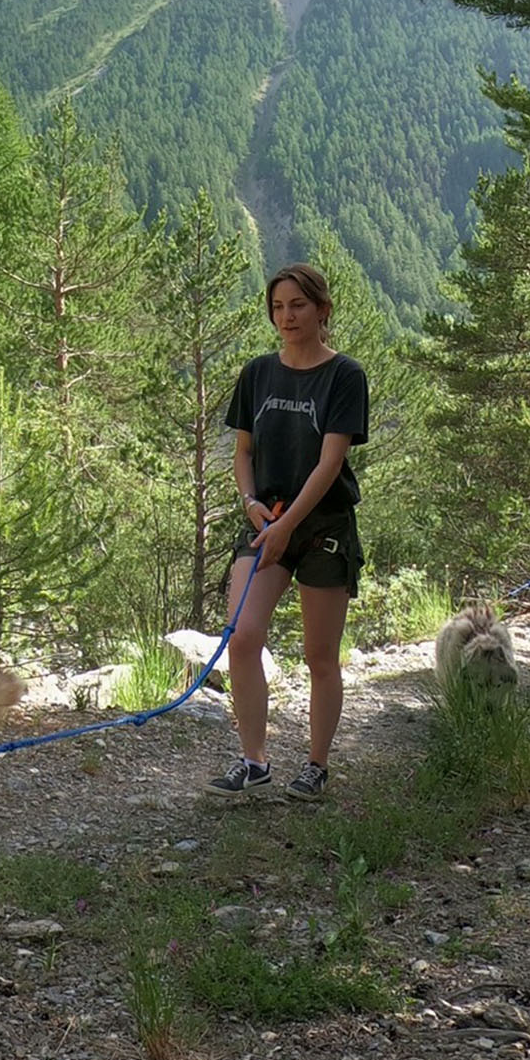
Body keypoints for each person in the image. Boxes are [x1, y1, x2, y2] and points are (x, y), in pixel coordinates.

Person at [207, 264, 369, 800]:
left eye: (298, 305)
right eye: (278, 307)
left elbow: (329, 463)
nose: (287, 316)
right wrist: (251, 504)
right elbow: (243, 451)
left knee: (320, 655)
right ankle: (253, 759)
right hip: (265, 519)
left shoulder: (344, 375)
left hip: (322, 524)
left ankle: (316, 764)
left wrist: (287, 527)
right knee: (243, 636)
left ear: (322, 309)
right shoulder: (257, 373)